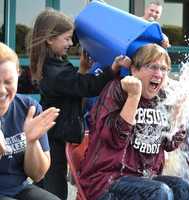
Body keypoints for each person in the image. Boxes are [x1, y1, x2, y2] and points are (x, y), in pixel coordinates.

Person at [28, 8, 131, 200]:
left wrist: (83, 67)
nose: (70, 43)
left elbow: (74, 88)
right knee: (55, 190)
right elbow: (87, 86)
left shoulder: (53, 63)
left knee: (42, 181)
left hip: (51, 134)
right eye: (66, 39)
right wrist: (113, 68)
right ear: (50, 40)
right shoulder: (56, 72)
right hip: (53, 138)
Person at [79, 43, 189, 200]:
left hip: (145, 178)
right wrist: (134, 96)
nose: (159, 74)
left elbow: (170, 144)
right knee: (159, 191)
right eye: (152, 67)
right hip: (107, 181)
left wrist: (178, 109)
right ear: (134, 70)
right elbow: (114, 139)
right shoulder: (117, 89)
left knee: (186, 188)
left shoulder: (161, 97)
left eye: (163, 69)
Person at [0, 42, 61, 200]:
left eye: (8, 82)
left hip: (18, 189)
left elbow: (38, 175)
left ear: (18, 74)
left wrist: (32, 142)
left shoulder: (29, 108)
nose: (1, 90)